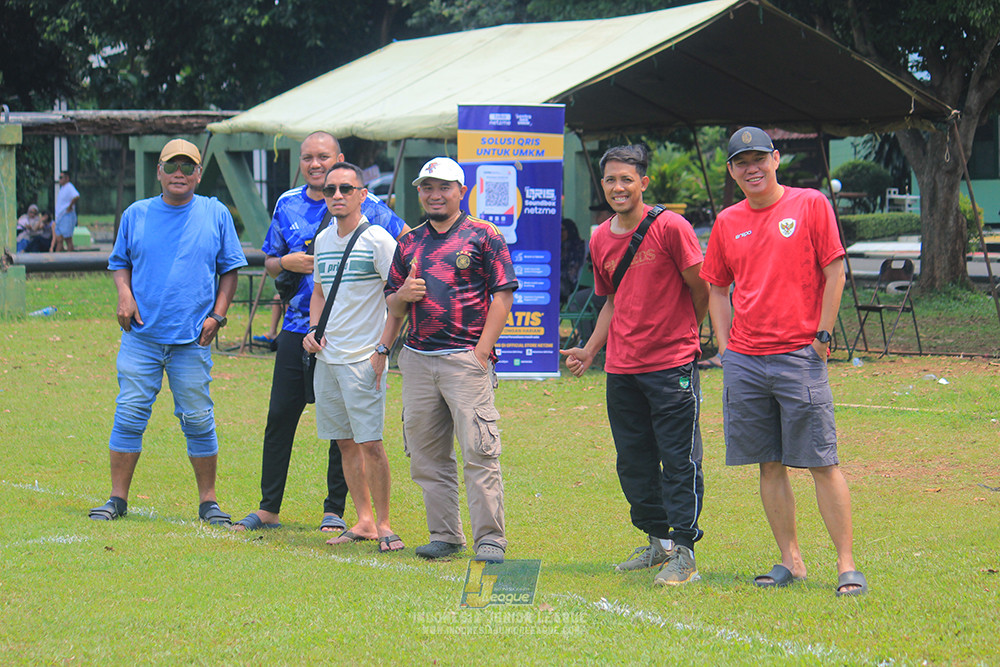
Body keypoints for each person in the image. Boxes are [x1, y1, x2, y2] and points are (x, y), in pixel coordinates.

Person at [700, 126, 867, 597]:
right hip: (747, 362)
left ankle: (846, 565)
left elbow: (834, 269)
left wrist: (822, 337)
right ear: (731, 171)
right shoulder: (728, 221)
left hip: (800, 355)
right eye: (740, 162)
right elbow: (716, 286)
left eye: (759, 158)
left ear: (776, 159)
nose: (751, 168)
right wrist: (727, 347)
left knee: (821, 461)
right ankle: (790, 561)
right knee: (768, 465)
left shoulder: (810, 203)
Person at [232, 131, 408, 532]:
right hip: (301, 326)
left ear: (339, 159)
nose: (316, 164)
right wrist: (286, 263)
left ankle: (336, 510)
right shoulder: (287, 204)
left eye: (323, 157)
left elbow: (404, 244)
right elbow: (270, 261)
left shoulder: (367, 205)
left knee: (345, 430)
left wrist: (390, 314)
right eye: (308, 157)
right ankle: (268, 508)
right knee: (282, 415)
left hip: (352, 336)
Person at [561, 145, 709, 586]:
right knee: (634, 461)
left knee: (679, 460)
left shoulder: (671, 227)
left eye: (627, 179)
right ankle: (657, 543)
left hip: (671, 365)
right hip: (622, 368)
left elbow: (700, 286)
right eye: (610, 180)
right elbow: (610, 301)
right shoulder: (600, 236)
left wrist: (687, 331)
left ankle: (685, 553)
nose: (618, 187)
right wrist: (589, 350)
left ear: (643, 182)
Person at [89, 138, 246, 524]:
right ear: (158, 172)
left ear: (198, 174)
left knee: (198, 418)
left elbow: (230, 269)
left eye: (188, 167)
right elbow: (119, 262)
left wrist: (218, 316)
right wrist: (124, 296)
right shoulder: (136, 214)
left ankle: (208, 502)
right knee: (129, 413)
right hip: (141, 336)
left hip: (192, 339)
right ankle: (117, 500)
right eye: (171, 166)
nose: (180, 174)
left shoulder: (214, 213)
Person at [384, 157, 517, 563]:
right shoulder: (409, 242)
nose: (435, 194)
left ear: (462, 191)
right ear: (419, 192)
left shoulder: (483, 235)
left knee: (479, 451)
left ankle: (490, 540)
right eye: (427, 187)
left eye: (444, 187)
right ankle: (444, 535)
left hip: (464, 360)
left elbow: (503, 294)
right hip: (419, 360)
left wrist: (480, 352)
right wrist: (402, 295)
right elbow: (392, 303)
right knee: (427, 456)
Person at [303, 162, 404, 552]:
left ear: (364, 194)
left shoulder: (379, 239)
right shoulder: (325, 239)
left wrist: (383, 349)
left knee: (371, 444)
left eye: (346, 188)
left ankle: (384, 523)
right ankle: (363, 520)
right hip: (327, 359)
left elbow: (398, 300)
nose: (337, 196)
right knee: (344, 443)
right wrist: (313, 332)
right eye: (330, 190)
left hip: (364, 359)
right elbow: (319, 293)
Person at [560, 217, 586, 305]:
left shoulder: (577, 247)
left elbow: (571, 272)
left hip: (572, 285)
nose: (560, 233)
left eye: (562, 230)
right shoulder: (560, 246)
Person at [53, 172, 80, 252]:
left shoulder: (69, 187)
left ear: (67, 178)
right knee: (59, 239)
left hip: (67, 215)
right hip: (61, 216)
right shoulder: (62, 188)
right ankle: (57, 260)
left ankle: (70, 258)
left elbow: (76, 196)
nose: (60, 179)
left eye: (61, 177)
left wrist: (70, 206)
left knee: (68, 239)